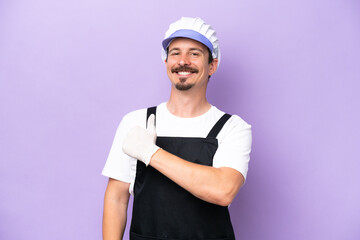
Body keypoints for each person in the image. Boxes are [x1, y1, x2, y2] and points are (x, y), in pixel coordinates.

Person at [102, 17, 252, 240]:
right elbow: (116, 198)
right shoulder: (136, 122)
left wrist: (151, 153)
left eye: (194, 53)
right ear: (166, 63)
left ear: (212, 65)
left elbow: (223, 190)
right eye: (175, 53)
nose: (183, 61)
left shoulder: (232, 128)